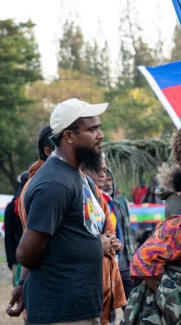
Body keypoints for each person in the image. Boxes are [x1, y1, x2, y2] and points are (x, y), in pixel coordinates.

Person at [10, 98, 108, 324]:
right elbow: (26, 252)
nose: (100, 135)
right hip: (60, 312)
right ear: (69, 136)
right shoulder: (55, 183)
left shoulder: (73, 174)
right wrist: (25, 283)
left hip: (79, 307)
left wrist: (23, 283)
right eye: (92, 129)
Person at [80, 156, 127, 324]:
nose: (102, 175)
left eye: (105, 170)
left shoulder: (104, 200)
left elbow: (112, 236)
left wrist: (112, 242)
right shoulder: (77, 195)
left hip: (107, 277)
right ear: (82, 169)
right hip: (86, 282)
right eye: (97, 169)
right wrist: (99, 243)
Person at [104, 166, 137, 299]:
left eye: (110, 180)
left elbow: (128, 231)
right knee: (108, 308)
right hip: (108, 263)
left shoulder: (122, 201)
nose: (108, 183)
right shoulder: (98, 203)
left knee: (131, 302)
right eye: (105, 180)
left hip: (125, 263)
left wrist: (132, 258)